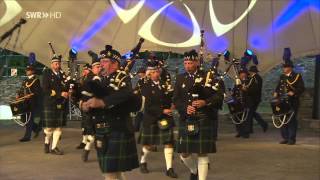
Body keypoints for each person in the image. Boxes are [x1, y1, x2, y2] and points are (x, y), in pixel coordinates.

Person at [82, 46, 139, 180]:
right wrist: (84, 105)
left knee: (110, 172)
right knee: (111, 171)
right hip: (101, 129)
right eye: (101, 61)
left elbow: (125, 95)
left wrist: (102, 102)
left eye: (105, 61)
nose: (101, 64)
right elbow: (86, 97)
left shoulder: (122, 77)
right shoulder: (98, 79)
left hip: (117, 127)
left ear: (115, 64)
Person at [173, 50, 224, 180]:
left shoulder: (208, 76)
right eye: (185, 63)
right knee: (184, 153)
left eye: (190, 62)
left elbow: (218, 96)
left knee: (202, 152)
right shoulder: (180, 78)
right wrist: (185, 108)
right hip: (186, 118)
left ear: (196, 62)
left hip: (203, 118)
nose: (187, 65)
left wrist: (205, 102)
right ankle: (194, 170)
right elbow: (176, 99)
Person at [138, 61, 178, 178]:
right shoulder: (145, 87)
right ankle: (143, 161)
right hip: (151, 119)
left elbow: (172, 96)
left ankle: (169, 168)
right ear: (149, 74)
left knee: (169, 143)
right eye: (153, 72)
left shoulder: (165, 84)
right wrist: (162, 111)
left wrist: (173, 104)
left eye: (157, 71)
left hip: (165, 118)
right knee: (148, 145)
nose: (156, 74)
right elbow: (148, 106)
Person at [42, 55, 69, 155]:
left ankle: (54, 148)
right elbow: (45, 89)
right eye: (56, 63)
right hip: (50, 103)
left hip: (60, 103)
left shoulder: (62, 75)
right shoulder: (47, 74)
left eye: (59, 63)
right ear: (51, 64)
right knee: (49, 128)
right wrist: (59, 93)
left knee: (58, 127)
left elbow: (65, 86)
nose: (58, 65)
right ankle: (46, 142)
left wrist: (67, 92)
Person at [274, 60, 305, 145]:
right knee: (282, 119)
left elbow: (301, 88)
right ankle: (285, 138)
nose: (284, 68)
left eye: (286, 67)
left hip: (292, 101)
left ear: (290, 68)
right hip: (282, 101)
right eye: (284, 67)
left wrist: (294, 92)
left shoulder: (297, 76)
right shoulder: (282, 76)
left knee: (291, 120)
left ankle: (291, 139)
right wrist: (276, 93)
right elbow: (279, 86)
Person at [16, 65, 42, 142]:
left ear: (33, 71)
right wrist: (18, 94)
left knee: (29, 119)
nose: (27, 71)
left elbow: (37, 92)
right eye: (26, 70)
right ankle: (37, 128)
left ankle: (27, 136)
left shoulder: (36, 80)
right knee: (23, 119)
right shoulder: (25, 80)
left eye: (28, 70)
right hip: (25, 102)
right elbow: (21, 89)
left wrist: (29, 95)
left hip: (32, 102)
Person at [246, 66, 268, 133]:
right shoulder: (254, 78)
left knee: (250, 114)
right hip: (253, 98)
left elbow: (255, 89)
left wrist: (247, 90)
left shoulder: (256, 78)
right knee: (252, 113)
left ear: (251, 71)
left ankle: (263, 124)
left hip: (254, 99)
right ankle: (251, 129)